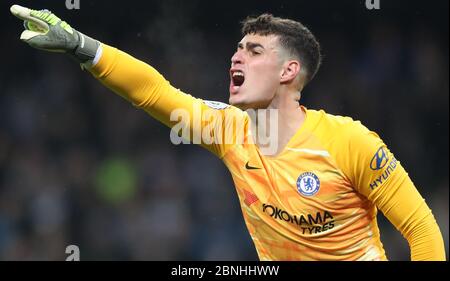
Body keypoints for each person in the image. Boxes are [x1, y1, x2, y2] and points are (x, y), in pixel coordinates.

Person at [9, 4, 446, 261]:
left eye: (254, 51)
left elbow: (422, 231)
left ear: (289, 71)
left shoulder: (350, 142)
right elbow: (152, 91)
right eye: (237, 49)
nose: (236, 58)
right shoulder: (227, 131)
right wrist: (81, 46)